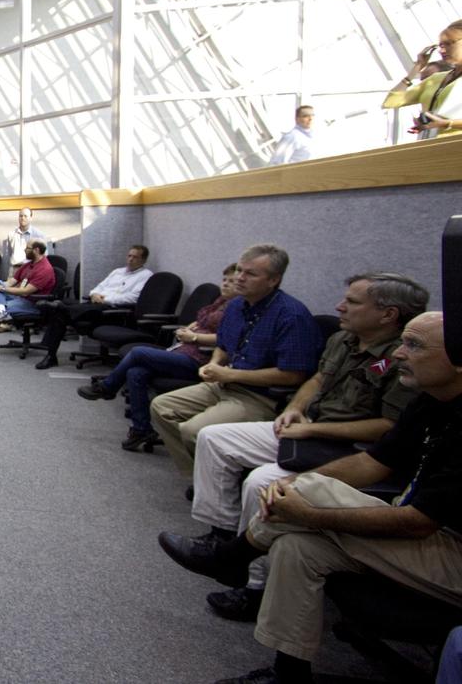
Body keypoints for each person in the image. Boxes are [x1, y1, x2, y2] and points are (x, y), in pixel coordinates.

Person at [158, 312, 462, 684]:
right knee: (298, 547)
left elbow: (418, 523)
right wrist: (297, 482)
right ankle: (289, 674)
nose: (399, 353)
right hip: (424, 532)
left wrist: (307, 511)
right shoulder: (431, 401)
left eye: (414, 345)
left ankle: (231, 556)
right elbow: (372, 463)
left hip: (451, 553)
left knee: (304, 497)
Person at [184, 272, 427, 622]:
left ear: (388, 314)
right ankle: (220, 536)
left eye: (352, 302)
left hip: (351, 445)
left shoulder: (401, 358)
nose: (339, 307)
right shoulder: (343, 339)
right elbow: (317, 379)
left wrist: (313, 429)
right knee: (214, 438)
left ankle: (254, 586)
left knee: (260, 482)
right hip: (309, 428)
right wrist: (296, 409)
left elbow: (389, 428)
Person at [150, 244, 321, 477]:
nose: (240, 277)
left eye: (250, 274)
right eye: (239, 270)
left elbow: (293, 375)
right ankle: (198, 475)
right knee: (162, 407)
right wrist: (215, 363)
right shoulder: (236, 305)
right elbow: (223, 344)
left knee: (193, 430)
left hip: (261, 396)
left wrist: (231, 374)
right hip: (225, 383)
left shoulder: (292, 316)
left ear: (273, 280)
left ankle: (214, 480)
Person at [78, 263, 238, 452]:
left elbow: (227, 339)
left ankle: (108, 387)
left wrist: (195, 337)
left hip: (201, 359)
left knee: (138, 352)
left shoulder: (238, 308)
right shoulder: (220, 302)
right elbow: (202, 320)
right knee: (136, 372)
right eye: (224, 279)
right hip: (182, 350)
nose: (225, 284)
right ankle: (141, 429)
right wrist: (189, 328)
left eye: (231, 281)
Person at [29, 245, 154, 370]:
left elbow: (133, 298)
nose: (130, 259)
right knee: (60, 314)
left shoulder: (145, 275)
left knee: (60, 311)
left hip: (114, 311)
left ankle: (60, 313)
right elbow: (98, 288)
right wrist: (94, 294)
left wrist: (105, 299)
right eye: (129, 256)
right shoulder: (118, 272)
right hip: (96, 306)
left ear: (143, 260)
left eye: (135, 257)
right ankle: (51, 355)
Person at [383, 19, 462, 138]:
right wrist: (417, 68)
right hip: (430, 143)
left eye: (449, 44)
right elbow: (390, 102)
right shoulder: (435, 79)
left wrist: (447, 123)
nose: (442, 50)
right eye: (440, 45)